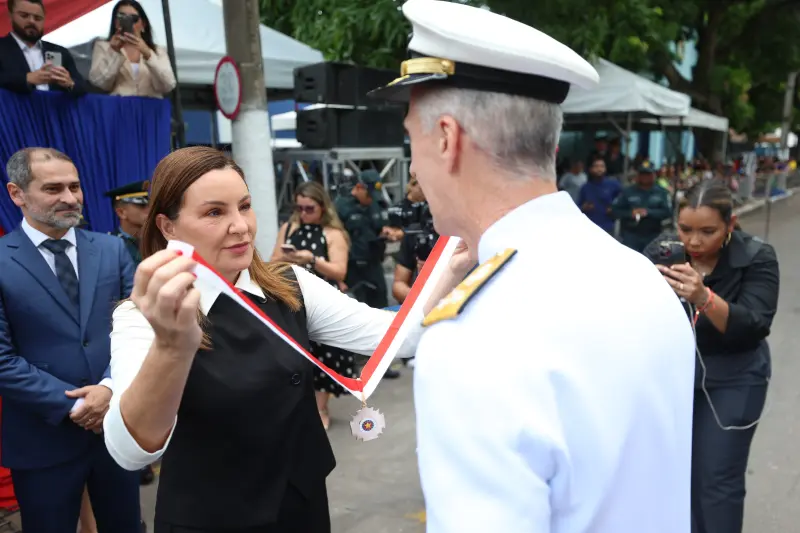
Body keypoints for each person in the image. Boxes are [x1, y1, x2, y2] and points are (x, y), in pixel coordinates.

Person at [367, 0, 696, 531]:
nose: (415, 166)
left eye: (413, 141)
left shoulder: (471, 341)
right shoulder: (640, 276)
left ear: (447, 139)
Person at [102, 146, 467, 533]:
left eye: (244, 206)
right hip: (211, 519)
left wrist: (453, 268)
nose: (240, 226)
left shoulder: (289, 286)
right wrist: (171, 347)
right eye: (214, 212)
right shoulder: (142, 317)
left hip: (300, 506)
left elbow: (396, 338)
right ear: (168, 227)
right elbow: (130, 450)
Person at [0, 148, 140, 532]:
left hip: (115, 430)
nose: (70, 198)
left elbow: (137, 331)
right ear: (17, 193)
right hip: (42, 440)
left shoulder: (112, 250)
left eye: (75, 187)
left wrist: (108, 388)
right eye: (53, 189)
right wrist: (78, 407)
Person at [647, 180, 779, 533]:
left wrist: (703, 296)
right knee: (676, 476)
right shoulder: (664, 253)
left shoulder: (757, 257)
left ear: (730, 224)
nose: (693, 241)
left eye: (708, 232)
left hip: (735, 376)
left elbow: (754, 324)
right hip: (676, 376)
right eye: (685, 229)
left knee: (717, 479)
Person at [270, 181, 352, 431]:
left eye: (309, 209)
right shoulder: (289, 228)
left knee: (324, 355)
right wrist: (287, 258)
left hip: (322, 300)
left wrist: (312, 259)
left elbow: (340, 271)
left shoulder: (332, 233)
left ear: (322, 207)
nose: (303, 213)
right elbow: (272, 263)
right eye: (299, 208)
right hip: (292, 299)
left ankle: (321, 408)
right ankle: (300, 407)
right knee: (294, 355)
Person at [334, 169, 402, 309]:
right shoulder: (340, 206)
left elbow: (380, 227)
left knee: (381, 308)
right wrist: (338, 279)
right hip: (352, 268)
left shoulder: (375, 204)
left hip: (374, 264)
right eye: (369, 194)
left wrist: (387, 232)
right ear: (359, 187)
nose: (371, 199)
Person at [89, 0, 177, 99]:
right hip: (119, 105)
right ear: (115, 22)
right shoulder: (103, 46)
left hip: (151, 105)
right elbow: (99, 82)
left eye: (133, 18)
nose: (128, 22)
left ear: (143, 25)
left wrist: (148, 55)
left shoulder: (157, 50)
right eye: (121, 17)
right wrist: (114, 52)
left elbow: (168, 85)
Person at [0, 0, 86, 95]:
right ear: (10, 16)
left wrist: (70, 83)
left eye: (38, 18)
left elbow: (83, 87)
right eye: (24, 16)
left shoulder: (58, 51)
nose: (31, 21)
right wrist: (26, 79)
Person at [612, 161, 673, 253]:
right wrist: (630, 213)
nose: (645, 177)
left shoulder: (662, 192)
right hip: (631, 234)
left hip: (653, 234)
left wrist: (648, 212)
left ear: (653, 175)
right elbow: (615, 210)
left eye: (648, 174)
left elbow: (668, 212)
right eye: (642, 174)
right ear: (638, 175)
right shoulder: (627, 192)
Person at [106, 180, 151, 266]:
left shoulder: (154, 240)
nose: (149, 210)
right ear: (121, 213)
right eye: (142, 206)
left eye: (149, 205)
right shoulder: (111, 246)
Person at [578, 155, 622, 234]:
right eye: (596, 166)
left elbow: (623, 200)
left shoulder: (613, 184)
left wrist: (613, 207)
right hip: (589, 227)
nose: (599, 169)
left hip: (608, 227)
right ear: (591, 169)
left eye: (602, 166)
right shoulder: (585, 187)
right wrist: (584, 207)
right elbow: (578, 207)